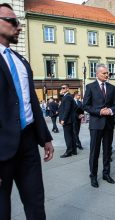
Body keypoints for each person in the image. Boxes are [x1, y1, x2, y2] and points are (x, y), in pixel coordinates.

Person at [0, 3, 54, 220]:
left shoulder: (21, 61)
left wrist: (45, 137)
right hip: (2, 149)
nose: (19, 27)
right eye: (13, 21)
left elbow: (31, 102)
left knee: (36, 204)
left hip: (28, 144)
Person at [83, 64, 115, 188]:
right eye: (104, 73)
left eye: (107, 73)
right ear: (97, 74)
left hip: (108, 124)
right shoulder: (90, 87)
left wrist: (110, 110)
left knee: (107, 151)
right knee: (95, 151)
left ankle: (106, 173)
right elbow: (85, 105)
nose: (107, 75)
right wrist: (99, 111)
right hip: (96, 124)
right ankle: (93, 175)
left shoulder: (112, 88)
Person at [59, 84, 78, 158]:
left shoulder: (67, 97)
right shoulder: (67, 97)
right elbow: (75, 107)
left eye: (64, 88)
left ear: (67, 89)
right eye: (61, 88)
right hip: (70, 120)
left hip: (67, 120)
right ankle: (74, 150)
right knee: (71, 135)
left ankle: (69, 151)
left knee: (68, 136)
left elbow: (67, 109)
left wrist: (63, 119)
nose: (62, 89)